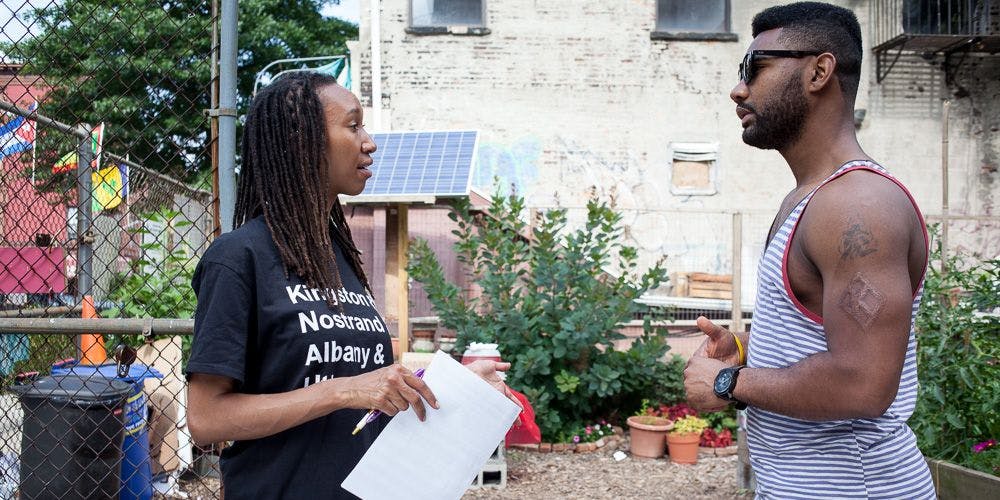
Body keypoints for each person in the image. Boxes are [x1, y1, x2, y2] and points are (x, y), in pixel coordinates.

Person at [185, 72, 516, 499]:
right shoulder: (238, 258)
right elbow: (207, 418)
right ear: (301, 140)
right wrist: (343, 392)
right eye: (353, 124)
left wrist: (453, 387)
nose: (369, 142)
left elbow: (367, 386)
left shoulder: (340, 258)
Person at [682, 3, 936, 499]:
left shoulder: (857, 205)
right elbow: (825, 345)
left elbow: (863, 383)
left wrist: (729, 382)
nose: (739, 88)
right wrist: (745, 353)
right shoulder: (812, 198)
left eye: (755, 68)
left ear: (819, 71)